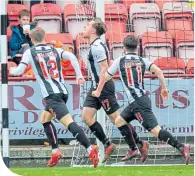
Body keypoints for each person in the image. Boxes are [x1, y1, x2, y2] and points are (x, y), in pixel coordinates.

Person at [9, 27, 99, 168]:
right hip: (62, 92)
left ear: (32, 40)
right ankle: (55, 151)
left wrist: (10, 70)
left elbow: (19, 71)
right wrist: (79, 75)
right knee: (44, 119)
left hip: (52, 96)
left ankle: (90, 148)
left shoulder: (30, 52)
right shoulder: (55, 50)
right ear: (45, 37)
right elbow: (72, 57)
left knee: (69, 123)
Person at [104, 35, 191, 164]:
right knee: (119, 121)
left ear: (124, 48)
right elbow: (159, 71)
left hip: (138, 103)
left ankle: (181, 146)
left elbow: (106, 77)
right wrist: (164, 88)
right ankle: (136, 147)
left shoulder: (119, 60)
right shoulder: (143, 60)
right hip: (138, 101)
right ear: (137, 48)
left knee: (156, 131)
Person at [82, 17, 149, 163]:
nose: (84, 28)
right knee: (86, 116)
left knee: (117, 119)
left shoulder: (97, 46)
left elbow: (105, 69)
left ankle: (138, 144)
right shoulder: (97, 44)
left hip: (103, 87)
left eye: (87, 26)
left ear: (93, 30)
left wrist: (99, 89)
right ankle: (108, 144)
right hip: (96, 85)